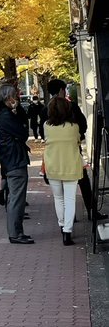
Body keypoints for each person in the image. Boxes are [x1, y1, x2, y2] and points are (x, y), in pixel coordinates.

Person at [46, 77, 105, 221]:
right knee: (83, 182)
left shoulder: (45, 109)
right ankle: (91, 210)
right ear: (61, 90)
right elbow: (83, 125)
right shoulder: (71, 106)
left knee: (62, 188)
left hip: (54, 156)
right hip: (73, 151)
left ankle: (69, 217)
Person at [0, 83, 33, 244]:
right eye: (14, 96)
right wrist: (19, 114)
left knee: (15, 196)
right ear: (9, 98)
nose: (16, 99)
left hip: (10, 159)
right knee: (17, 198)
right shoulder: (7, 116)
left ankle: (16, 232)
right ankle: (16, 233)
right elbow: (23, 133)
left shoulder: (2, 115)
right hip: (15, 159)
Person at [43, 94, 82, 245]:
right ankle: (68, 231)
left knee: (58, 198)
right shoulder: (74, 127)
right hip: (71, 165)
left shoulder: (47, 126)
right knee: (70, 199)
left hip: (53, 165)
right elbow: (78, 140)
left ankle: (61, 225)